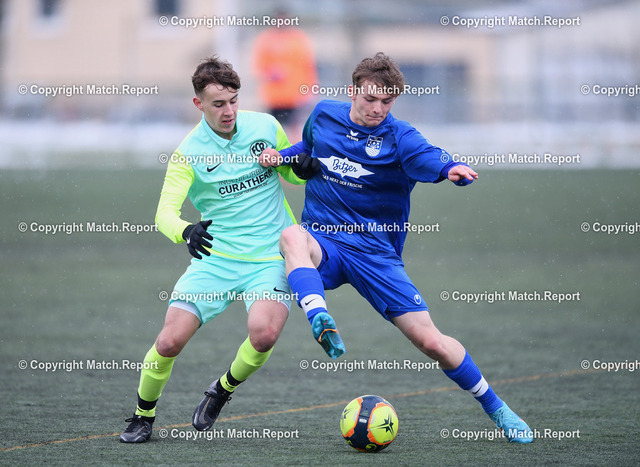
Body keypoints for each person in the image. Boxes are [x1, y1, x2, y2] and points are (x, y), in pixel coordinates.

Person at [261, 52, 534, 443]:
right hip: (325, 241)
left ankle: (497, 408)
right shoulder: (323, 115)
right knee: (291, 236)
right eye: (370, 99)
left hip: (375, 256)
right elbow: (308, 147)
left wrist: (449, 169)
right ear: (353, 91)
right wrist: (280, 157)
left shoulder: (400, 137)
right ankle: (319, 316)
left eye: (386, 102)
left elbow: (428, 156)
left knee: (431, 342)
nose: (378, 109)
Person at [119, 56, 305, 443]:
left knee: (264, 334)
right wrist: (186, 231)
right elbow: (164, 214)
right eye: (218, 104)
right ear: (198, 104)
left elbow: (291, 172)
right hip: (216, 260)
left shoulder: (266, 126)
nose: (229, 111)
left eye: (234, 100)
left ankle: (221, 390)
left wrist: (300, 165)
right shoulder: (188, 152)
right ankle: (142, 416)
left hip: (270, 256)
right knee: (169, 342)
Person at [252, 11, 318, 133]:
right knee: (274, 130)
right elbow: (259, 67)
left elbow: (308, 66)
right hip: (274, 97)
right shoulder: (266, 39)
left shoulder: (298, 39)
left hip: (295, 96)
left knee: (294, 130)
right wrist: (272, 73)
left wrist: (311, 89)